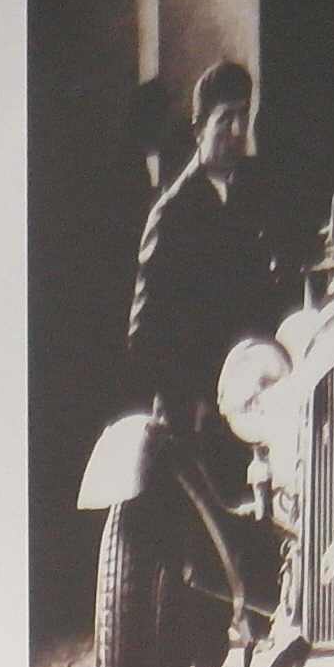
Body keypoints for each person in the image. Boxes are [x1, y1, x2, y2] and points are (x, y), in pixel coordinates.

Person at [131, 63, 285, 428]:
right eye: (225, 119)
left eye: (243, 116)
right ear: (199, 128)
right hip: (197, 406)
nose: (238, 131)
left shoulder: (260, 188)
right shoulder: (171, 214)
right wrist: (186, 398)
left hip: (257, 392)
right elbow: (146, 333)